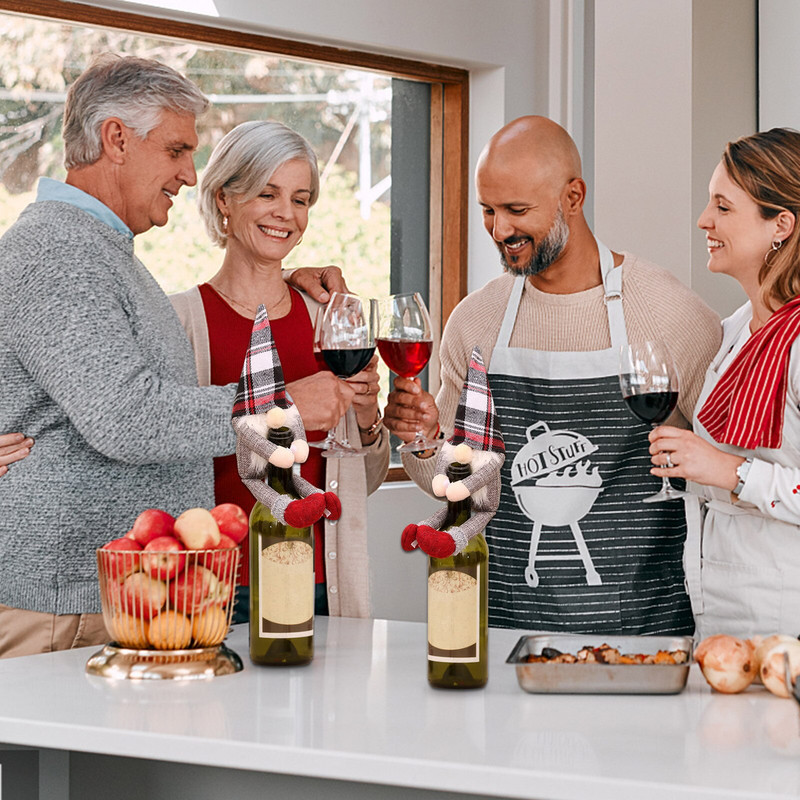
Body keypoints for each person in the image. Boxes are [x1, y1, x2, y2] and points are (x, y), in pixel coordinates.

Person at [0, 55, 343, 658]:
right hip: (63, 603)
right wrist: (279, 408)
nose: (189, 175)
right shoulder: (59, 251)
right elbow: (125, 415)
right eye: (178, 150)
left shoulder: (104, 253)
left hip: (113, 594)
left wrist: (280, 277)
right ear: (116, 139)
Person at [385, 115, 722, 635]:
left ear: (573, 196)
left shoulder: (668, 312)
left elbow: (730, 472)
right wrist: (423, 441)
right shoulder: (477, 319)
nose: (500, 231)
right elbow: (450, 486)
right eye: (488, 211)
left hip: (642, 634)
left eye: (517, 210)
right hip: (501, 628)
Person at [173, 120, 389, 620]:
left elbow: (365, 477)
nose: (285, 214)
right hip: (216, 587)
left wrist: (367, 418)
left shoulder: (332, 320)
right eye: (266, 193)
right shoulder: (182, 320)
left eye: (301, 199)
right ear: (224, 199)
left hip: (322, 584)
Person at [650, 128, 800, 640]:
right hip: (716, 608)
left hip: (785, 620)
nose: (703, 220)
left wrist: (728, 471)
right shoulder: (735, 330)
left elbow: (729, 471)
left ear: (780, 225)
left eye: (723, 206)